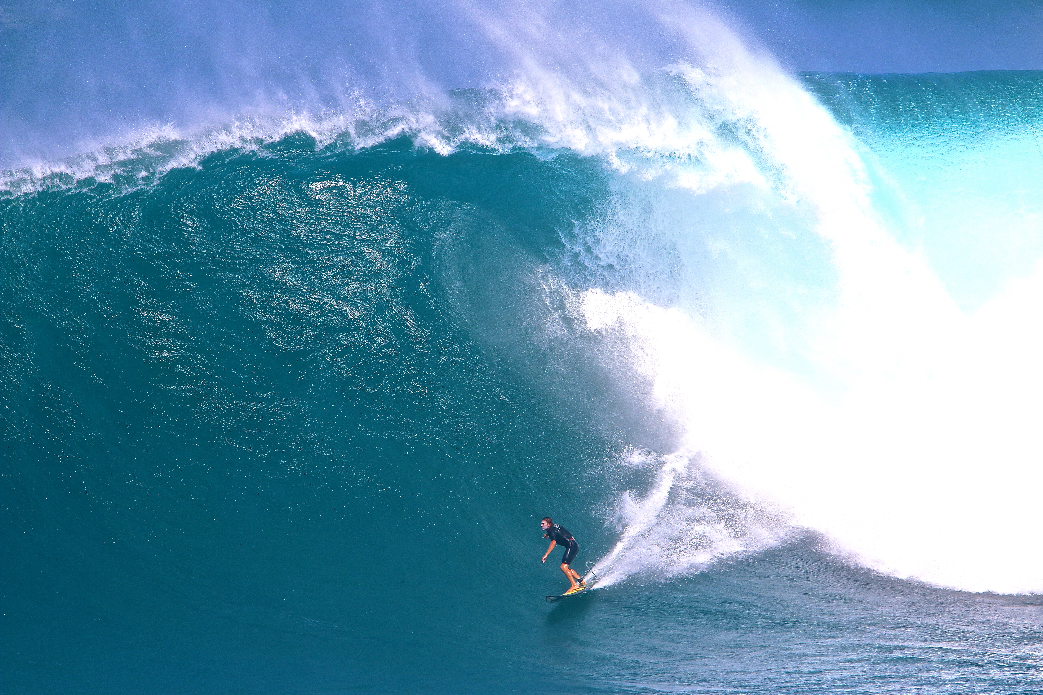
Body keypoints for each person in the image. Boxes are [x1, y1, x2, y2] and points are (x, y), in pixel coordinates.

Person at [540, 517, 585, 593]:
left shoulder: (551, 531)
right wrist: (548, 534)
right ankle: (582, 582)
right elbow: (557, 531)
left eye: (543, 523)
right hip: (573, 545)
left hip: (571, 546)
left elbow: (553, 542)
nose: (541, 525)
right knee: (566, 567)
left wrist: (546, 554)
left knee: (563, 567)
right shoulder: (554, 527)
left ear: (549, 524)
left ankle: (574, 585)